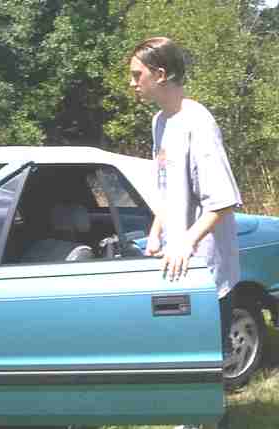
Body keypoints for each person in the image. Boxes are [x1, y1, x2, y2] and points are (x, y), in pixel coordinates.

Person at [129, 36, 242, 429]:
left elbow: (222, 201)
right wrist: (157, 231)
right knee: (182, 351)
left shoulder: (199, 122)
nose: (133, 83)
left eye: (137, 75)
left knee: (208, 359)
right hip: (177, 259)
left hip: (206, 266)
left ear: (160, 75)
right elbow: (165, 186)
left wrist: (186, 241)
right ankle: (193, 418)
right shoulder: (160, 121)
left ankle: (211, 419)